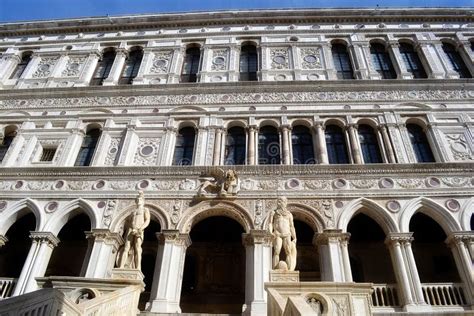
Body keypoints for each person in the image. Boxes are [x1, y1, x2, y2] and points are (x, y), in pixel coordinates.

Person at [116, 191, 150, 270]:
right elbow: (130, 222)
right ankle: (121, 266)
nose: (138, 201)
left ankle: (138, 267)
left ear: (143, 201)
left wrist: (141, 228)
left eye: (140, 199)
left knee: (138, 247)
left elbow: (147, 220)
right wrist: (133, 227)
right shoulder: (133, 212)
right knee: (126, 247)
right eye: (137, 199)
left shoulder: (145, 209)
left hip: (139, 229)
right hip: (131, 229)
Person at [268, 196, 297, 271]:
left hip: (287, 234)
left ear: (285, 203)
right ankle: (275, 269)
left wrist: (294, 237)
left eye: (282, 201)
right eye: (279, 201)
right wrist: (271, 232)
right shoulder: (274, 213)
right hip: (277, 234)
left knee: (288, 252)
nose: (280, 202)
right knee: (276, 251)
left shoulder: (289, 214)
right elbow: (270, 223)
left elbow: (291, 226)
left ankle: (290, 270)